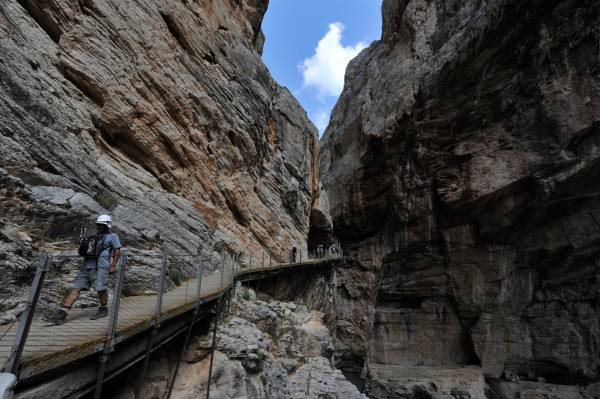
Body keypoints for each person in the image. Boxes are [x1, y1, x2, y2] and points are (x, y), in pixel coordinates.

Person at [50, 214, 122, 323]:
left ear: (108, 225)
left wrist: (113, 265)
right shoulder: (93, 235)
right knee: (76, 288)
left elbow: (117, 250)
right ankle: (62, 314)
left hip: (101, 267)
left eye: (101, 224)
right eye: (98, 224)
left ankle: (103, 309)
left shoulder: (113, 236)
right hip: (86, 266)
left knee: (100, 289)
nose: (99, 226)